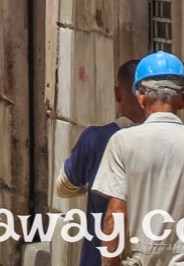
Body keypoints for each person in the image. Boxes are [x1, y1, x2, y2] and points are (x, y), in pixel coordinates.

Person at [91, 51, 184, 266]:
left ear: (140, 96)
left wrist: (110, 262)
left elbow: (116, 213)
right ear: (183, 100)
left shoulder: (122, 142)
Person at [58, 59, 146, 266]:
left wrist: (93, 182)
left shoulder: (96, 139)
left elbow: (63, 187)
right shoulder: (170, 143)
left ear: (117, 93)